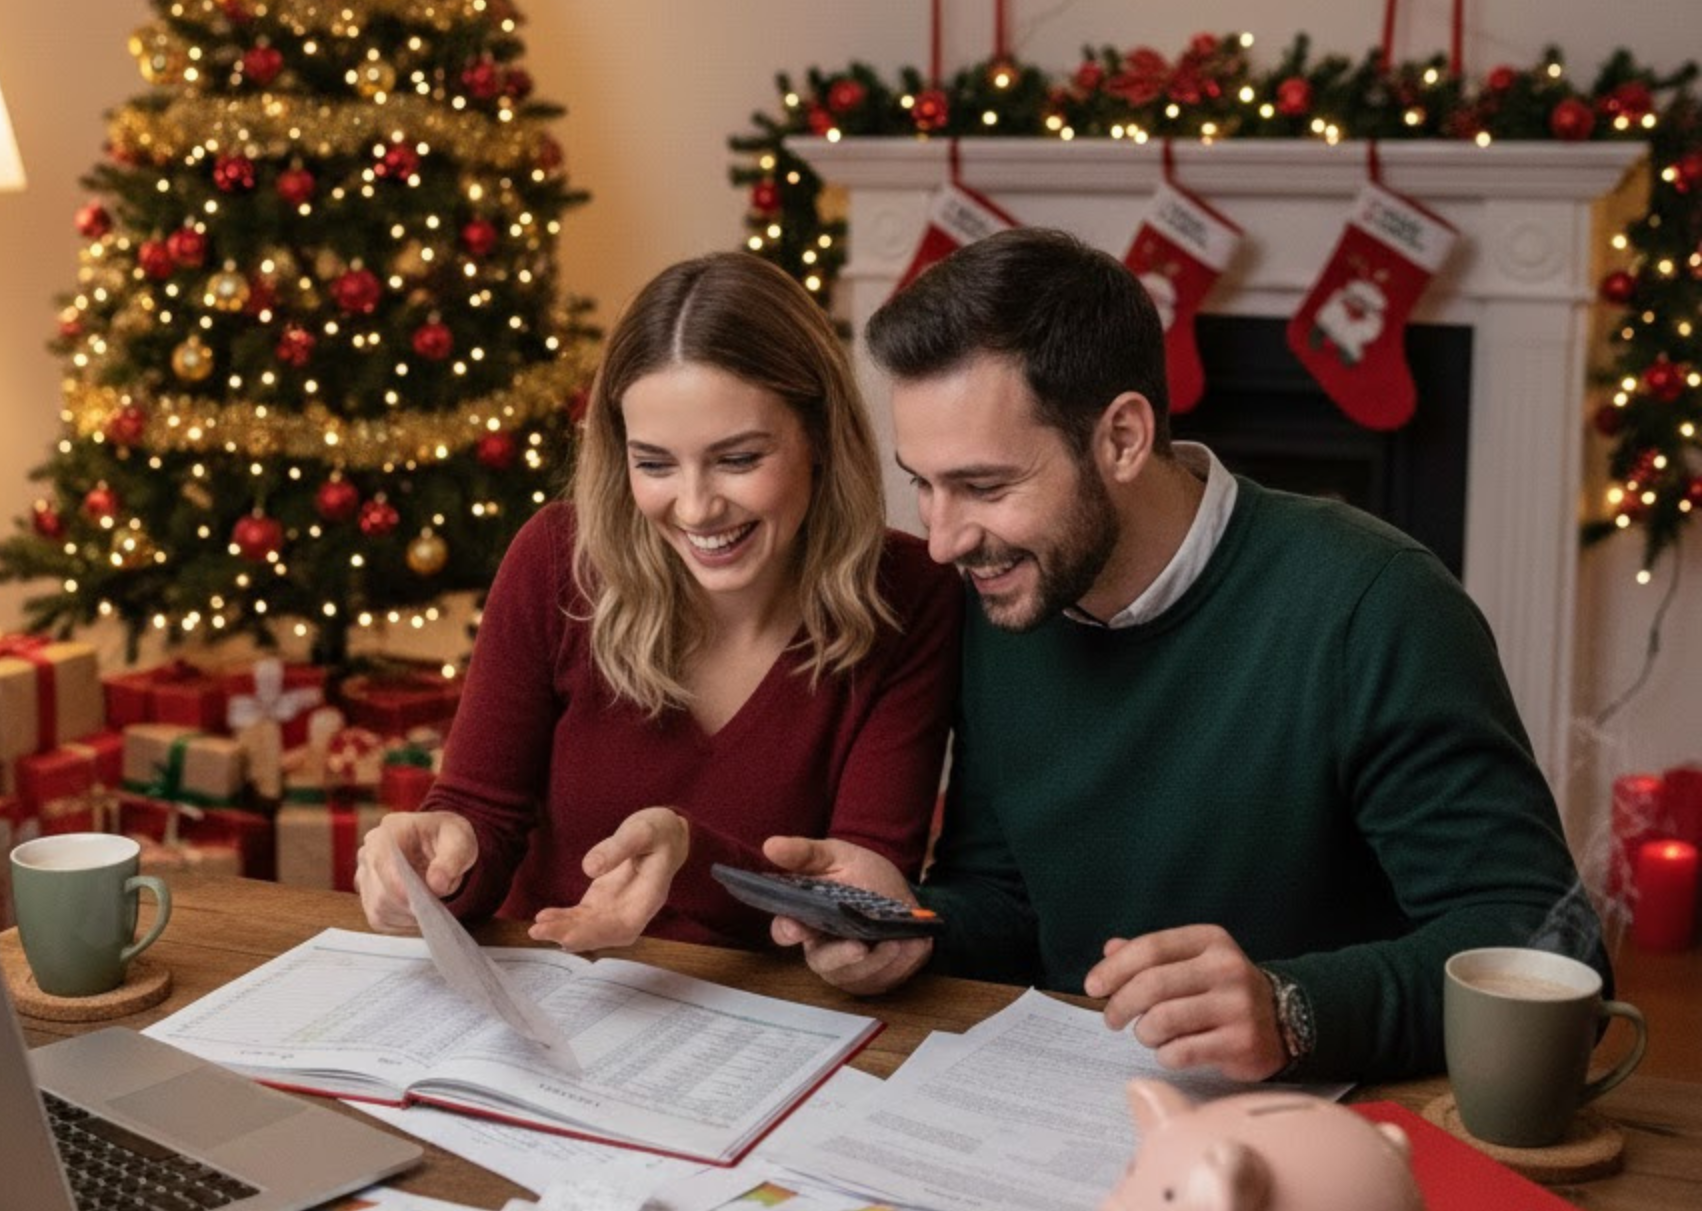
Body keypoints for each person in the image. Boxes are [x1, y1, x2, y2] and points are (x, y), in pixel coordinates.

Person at [767, 226, 1605, 1084]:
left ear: (1123, 438)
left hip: (1327, 1140)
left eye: (984, 486)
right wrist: (908, 926)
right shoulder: (1006, 593)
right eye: (923, 482)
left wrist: (1291, 1008)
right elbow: (1008, 897)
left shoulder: (1374, 604)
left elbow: (1543, 938)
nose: (942, 542)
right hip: (1068, 1111)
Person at [355, 252, 962, 952]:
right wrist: (438, 862)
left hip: (772, 1030)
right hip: (553, 1005)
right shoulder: (556, 561)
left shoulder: (914, 593)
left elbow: (855, 897)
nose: (697, 507)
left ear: (819, 436)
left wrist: (688, 854)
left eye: (738, 459)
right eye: (654, 463)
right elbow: (479, 823)